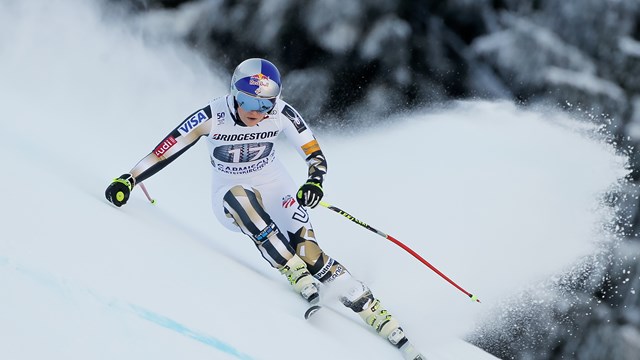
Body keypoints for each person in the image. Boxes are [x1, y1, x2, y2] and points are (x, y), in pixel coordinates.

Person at [105, 58, 423, 359]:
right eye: (249, 102)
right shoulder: (211, 116)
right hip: (229, 190)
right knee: (241, 199)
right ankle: (292, 270)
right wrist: (129, 180)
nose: (257, 112)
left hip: (275, 184)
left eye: (265, 104)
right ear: (233, 95)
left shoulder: (281, 113)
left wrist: (314, 181)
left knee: (310, 251)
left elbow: (313, 152)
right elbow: (165, 150)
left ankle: (375, 312)